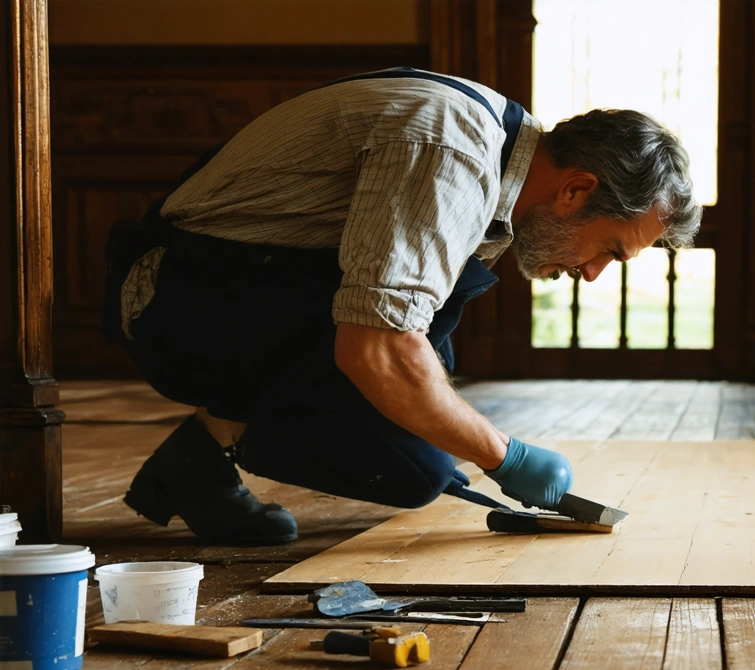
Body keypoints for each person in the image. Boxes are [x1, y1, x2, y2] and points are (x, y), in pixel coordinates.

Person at [103, 67, 701, 545]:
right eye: (611, 251)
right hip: (173, 300)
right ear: (576, 190)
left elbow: (408, 338)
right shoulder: (454, 153)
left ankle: (199, 458)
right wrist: (504, 456)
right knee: (417, 472)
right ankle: (211, 447)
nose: (593, 274)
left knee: (425, 431)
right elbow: (381, 348)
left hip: (242, 290)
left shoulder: (506, 167)